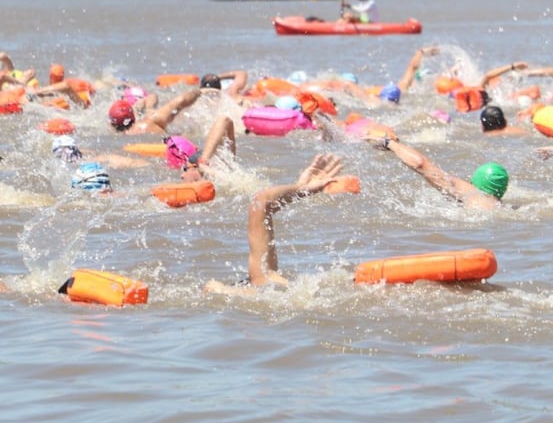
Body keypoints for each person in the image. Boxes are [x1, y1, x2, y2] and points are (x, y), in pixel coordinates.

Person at [205, 153, 345, 290]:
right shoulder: (268, 282)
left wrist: (218, 290)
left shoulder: (264, 284)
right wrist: (300, 189)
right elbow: (261, 203)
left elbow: (261, 203)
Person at [374, 136, 507, 210]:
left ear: (475, 182)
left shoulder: (471, 194)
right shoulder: (500, 206)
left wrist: (390, 143)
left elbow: (420, 164)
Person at [108, 88, 202, 135]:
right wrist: (199, 91)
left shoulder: (116, 138)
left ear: (112, 124)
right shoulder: (150, 121)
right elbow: (181, 100)